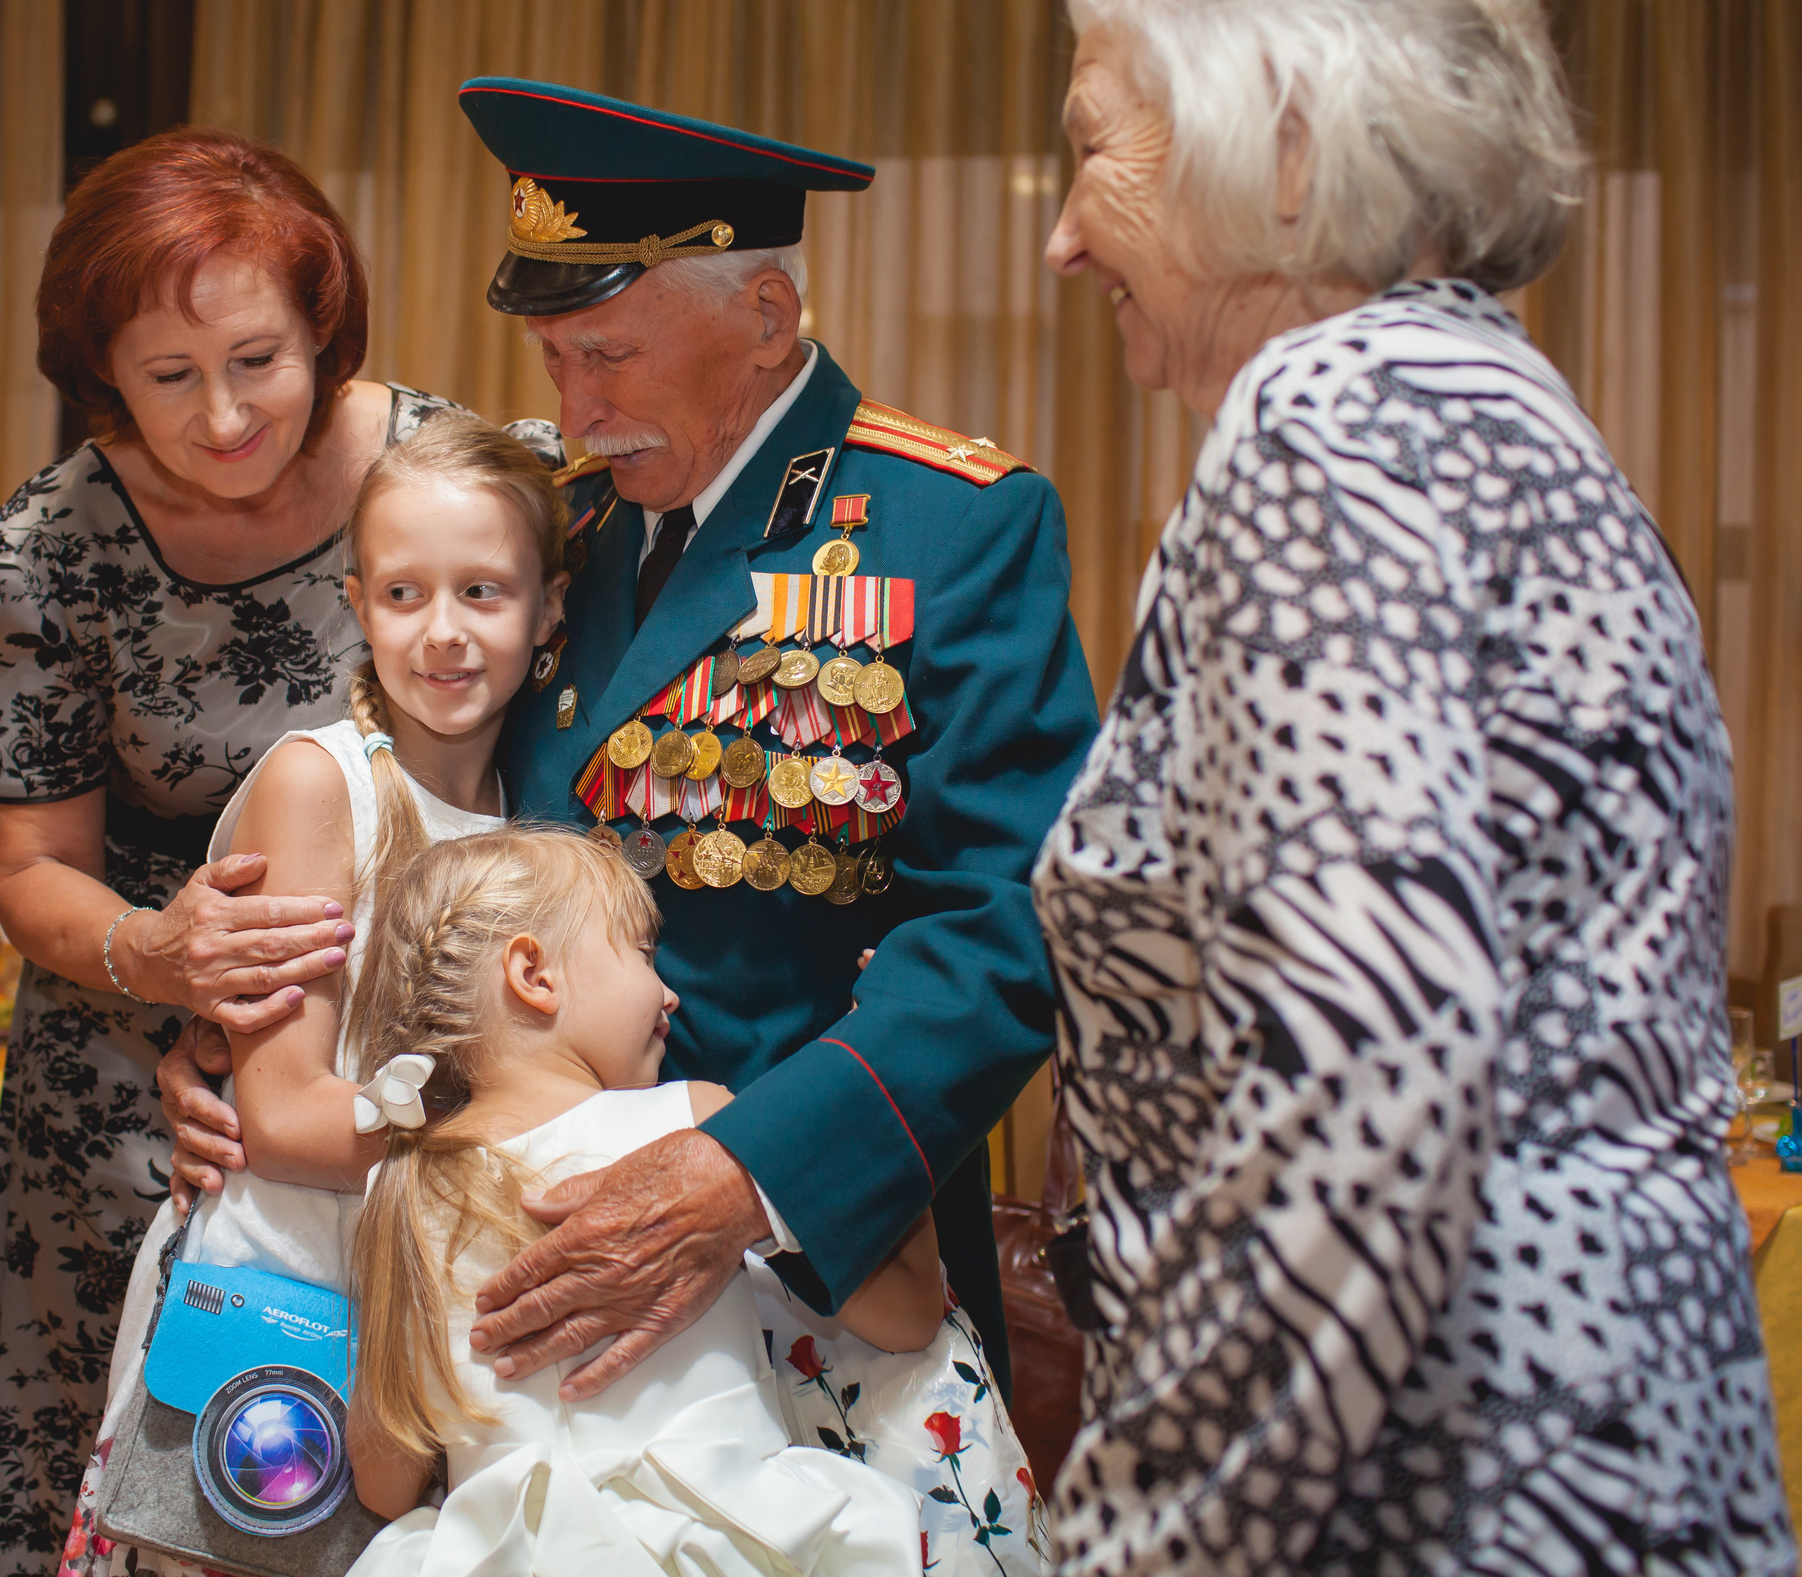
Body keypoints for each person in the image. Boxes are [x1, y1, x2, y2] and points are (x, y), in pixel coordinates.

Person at [160, 82, 1099, 1505]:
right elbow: (432, 840)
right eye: (551, 354)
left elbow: (1007, 925)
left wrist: (748, 1178)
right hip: (516, 1282)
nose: (574, 405)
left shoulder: (948, 522)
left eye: (608, 352)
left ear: (768, 314)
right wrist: (265, 1052)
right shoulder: (556, 535)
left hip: (825, 1265)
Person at [1028, 0, 1794, 1573]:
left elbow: (1366, 1078)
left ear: (1279, 142)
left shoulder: (1330, 421)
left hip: (1426, 1481)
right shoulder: (1498, 402)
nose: (1065, 236)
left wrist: (1130, 1542)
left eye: (1094, 145)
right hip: (1611, 1443)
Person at [0, 129, 558, 1574]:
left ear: (323, 335)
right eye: (168, 376)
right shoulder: (56, 546)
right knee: (154, 1489)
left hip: (406, 1065)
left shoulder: (442, 479)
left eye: (258, 360)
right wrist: (163, 963)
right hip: (137, 1097)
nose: (223, 414)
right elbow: (32, 860)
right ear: (105, 370)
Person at [343, 825, 938, 1576]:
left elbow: (385, 1482)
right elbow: (908, 1315)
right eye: (642, 951)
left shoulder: (397, 1188)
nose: (670, 992)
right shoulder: (694, 1122)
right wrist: (875, 1075)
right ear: (533, 972)